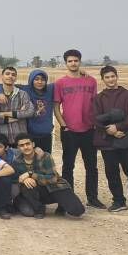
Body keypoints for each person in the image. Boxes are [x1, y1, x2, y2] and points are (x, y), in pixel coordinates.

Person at [91, 65, 128, 213]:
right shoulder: (99, 98)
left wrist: (118, 127)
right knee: (112, 172)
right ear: (102, 79)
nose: (110, 80)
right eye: (107, 77)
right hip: (108, 142)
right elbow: (95, 118)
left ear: (117, 77)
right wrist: (110, 131)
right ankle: (118, 201)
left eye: (112, 76)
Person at [54, 49, 103, 209]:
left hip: (89, 129)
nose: (73, 63)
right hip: (69, 131)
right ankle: (69, 199)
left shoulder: (91, 81)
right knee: (68, 166)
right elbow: (56, 107)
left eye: (76, 60)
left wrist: (95, 123)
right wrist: (63, 125)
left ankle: (92, 198)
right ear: (66, 63)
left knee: (91, 166)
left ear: (80, 61)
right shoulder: (60, 83)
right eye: (70, 61)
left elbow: (95, 104)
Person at [13, 135, 85, 218]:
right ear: (18, 148)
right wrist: (23, 180)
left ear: (33, 144)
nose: (25, 147)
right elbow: (15, 178)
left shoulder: (45, 156)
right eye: (22, 145)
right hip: (36, 190)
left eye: (28, 144)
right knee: (27, 186)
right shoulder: (17, 161)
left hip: (54, 187)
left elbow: (53, 178)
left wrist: (31, 174)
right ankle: (39, 210)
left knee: (77, 211)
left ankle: (62, 204)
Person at [0, 66, 35, 147]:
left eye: (13, 75)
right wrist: (18, 116)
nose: (10, 76)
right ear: (2, 76)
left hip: (20, 140)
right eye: (7, 74)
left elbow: (30, 112)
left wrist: (3, 114)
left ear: (16, 78)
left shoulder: (23, 94)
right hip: (1, 140)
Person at [21, 69, 56, 153]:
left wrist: (80, 72)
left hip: (46, 134)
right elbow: (0, 85)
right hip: (30, 135)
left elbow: (66, 81)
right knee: (30, 159)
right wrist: (0, 92)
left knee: (46, 158)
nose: (40, 82)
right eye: (36, 79)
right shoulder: (25, 89)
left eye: (43, 79)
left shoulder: (50, 89)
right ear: (31, 80)